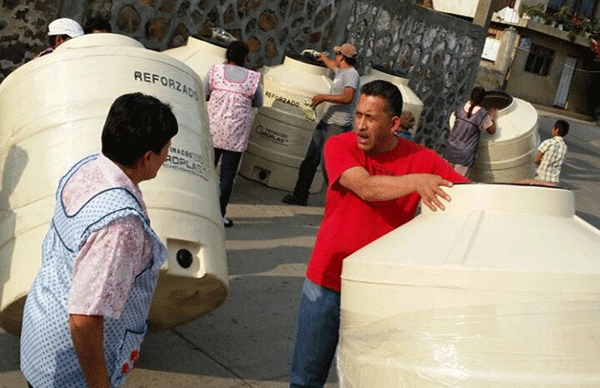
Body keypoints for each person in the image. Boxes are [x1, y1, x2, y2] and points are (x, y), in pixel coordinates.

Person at [288, 80, 470, 388]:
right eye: (358, 115)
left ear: (394, 123)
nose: (359, 125)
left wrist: (520, 188)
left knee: (368, 380)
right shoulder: (340, 145)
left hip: (378, 291)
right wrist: (416, 182)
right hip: (327, 281)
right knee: (305, 380)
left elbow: (468, 195)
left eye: (370, 118)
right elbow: (366, 187)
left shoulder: (422, 159)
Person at [20, 93, 178, 388]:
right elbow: (84, 318)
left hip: (42, 330)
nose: (166, 157)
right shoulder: (119, 227)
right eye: (166, 150)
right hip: (70, 365)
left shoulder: (88, 168)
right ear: (147, 157)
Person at [282, 42, 360, 206]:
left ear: (341, 56)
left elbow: (348, 97)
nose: (335, 58)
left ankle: (340, 203)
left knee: (330, 166)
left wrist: (323, 97)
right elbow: (333, 66)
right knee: (310, 160)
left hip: (337, 127)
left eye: (336, 54)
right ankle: (300, 195)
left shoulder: (351, 75)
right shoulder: (342, 71)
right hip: (326, 122)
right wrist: (322, 57)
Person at [203, 40, 262, 228]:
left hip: (213, 131)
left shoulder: (214, 72)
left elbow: (205, 92)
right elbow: (258, 102)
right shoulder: (253, 79)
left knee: (205, 171)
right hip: (235, 135)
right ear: (246, 58)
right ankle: (219, 215)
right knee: (227, 177)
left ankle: (200, 208)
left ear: (227, 56)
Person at [443, 86, 496, 177]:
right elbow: (492, 130)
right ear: (482, 99)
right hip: (464, 156)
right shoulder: (482, 115)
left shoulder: (460, 106)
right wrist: (491, 118)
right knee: (456, 182)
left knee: (443, 177)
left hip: (450, 150)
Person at [521, 119, 569, 186]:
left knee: (522, 183)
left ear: (556, 130)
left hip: (541, 178)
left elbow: (536, 159)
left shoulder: (548, 142)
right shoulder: (564, 147)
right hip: (554, 181)